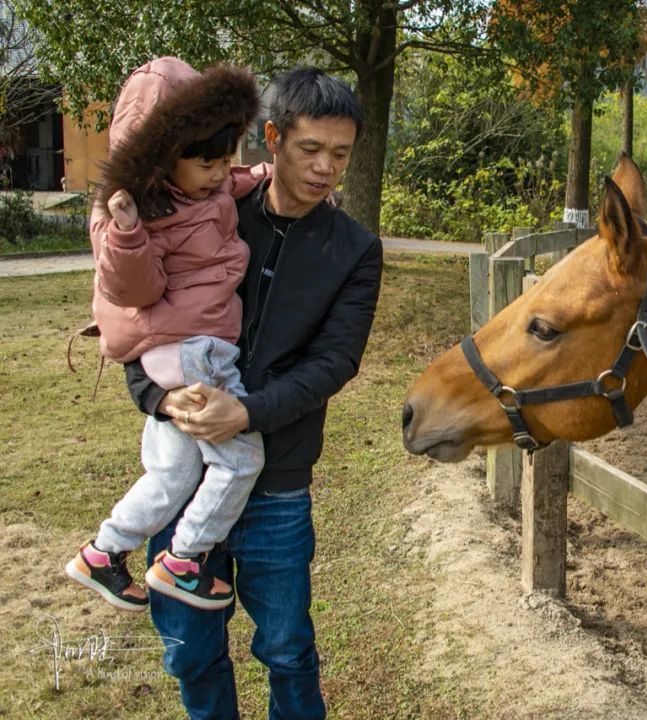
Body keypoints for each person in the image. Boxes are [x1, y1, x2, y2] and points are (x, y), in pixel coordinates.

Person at [125, 67, 382, 720]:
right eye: (311, 148)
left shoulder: (355, 250)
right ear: (273, 137)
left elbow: (335, 361)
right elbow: (140, 318)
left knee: (288, 651)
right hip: (185, 480)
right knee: (188, 651)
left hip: (277, 488)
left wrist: (246, 412)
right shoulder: (209, 212)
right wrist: (159, 398)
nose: (326, 168)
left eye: (341, 154)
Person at [66, 57, 268, 613]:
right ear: (164, 155)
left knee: (173, 472)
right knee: (240, 460)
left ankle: (104, 551)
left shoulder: (204, 187)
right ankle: (184, 559)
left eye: (226, 159)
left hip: (179, 351)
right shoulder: (139, 210)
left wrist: (262, 175)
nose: (219, 173)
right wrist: (128, 232)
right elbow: (134, 288)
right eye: (207, 163)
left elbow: (234, 180)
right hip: (192, 350)